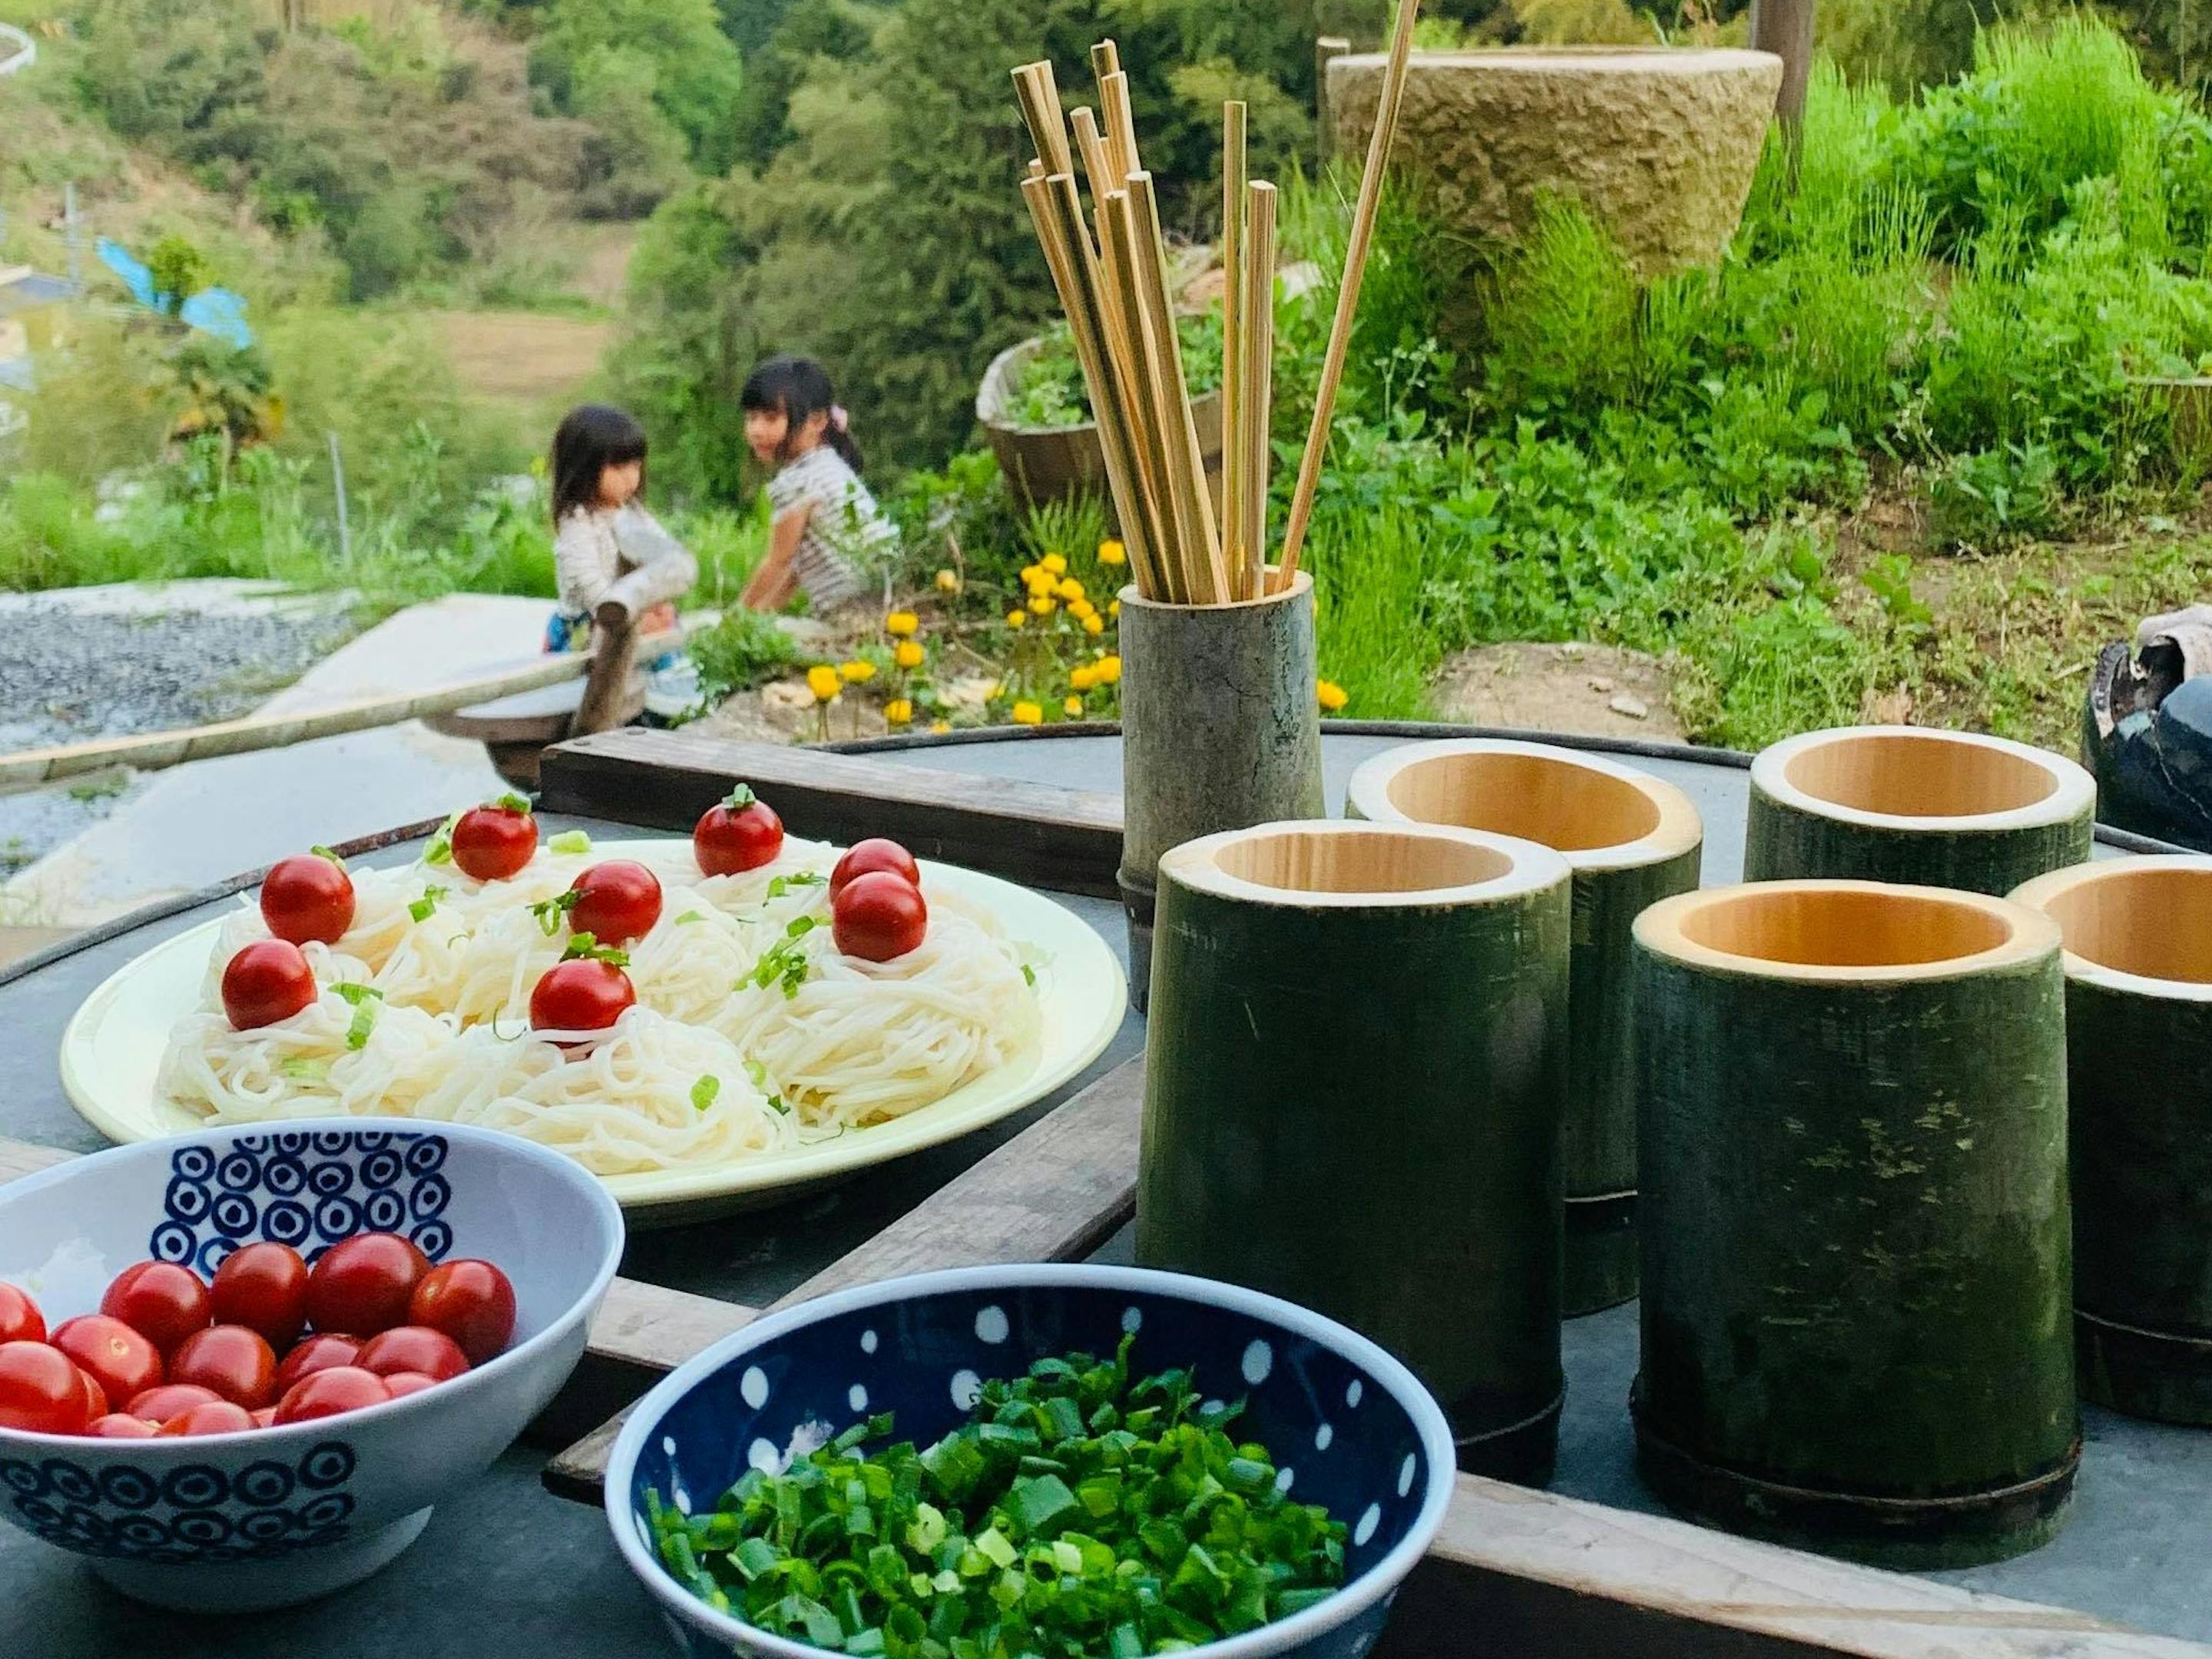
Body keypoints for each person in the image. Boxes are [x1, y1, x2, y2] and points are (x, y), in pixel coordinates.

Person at [547, 404, 699, 729]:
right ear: (584, 468)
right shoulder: (578, 524)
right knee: (621, 678)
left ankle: (664, 711)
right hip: (593, 623)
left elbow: (661, 553)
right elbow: (590, 585)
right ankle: (636, 718)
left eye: (635, 465)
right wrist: (633, 618)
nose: (631, 477)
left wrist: (658, 602)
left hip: (633, 609)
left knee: (669, 638)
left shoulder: (629, 512)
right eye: (618, 467)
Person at [739, 356, 896, 614]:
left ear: (817, 421)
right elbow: (795, 569)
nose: (756, 430)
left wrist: (732, 621)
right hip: (883, 602)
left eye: (770, 418)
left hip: (853, 612)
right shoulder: (828, 464)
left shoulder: (798, 481)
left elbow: (778, 562)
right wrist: (759, 616)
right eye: (751, 418)